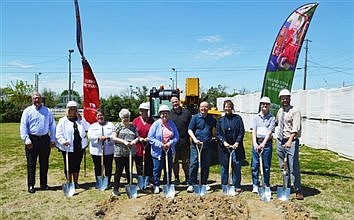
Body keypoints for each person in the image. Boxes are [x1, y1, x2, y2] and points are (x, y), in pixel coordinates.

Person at [20, 92, 56, 193]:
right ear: (32, 100)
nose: (37, 100)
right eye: (35, 98)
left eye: (38, 98)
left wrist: (53, 139)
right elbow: (23, 126)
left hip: (45, 139)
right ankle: (31, 185)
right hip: (32, 140)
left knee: (44, 163)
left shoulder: (47, 111)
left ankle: (43, 184)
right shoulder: (27, 111)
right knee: (31, 163)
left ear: (41, 99)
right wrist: (27, 140)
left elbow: (52, 126)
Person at [276, 89, 304, 200]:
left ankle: (298, 189)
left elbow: (296, 128)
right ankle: (286, 187)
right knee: (283, 166)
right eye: (282, 98)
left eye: (286, 98)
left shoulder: (295, 111)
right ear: (280, 99)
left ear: (290, 98)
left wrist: (289, 140)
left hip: (291, 141)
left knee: (293, 166)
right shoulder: (279, 111)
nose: (284, 100)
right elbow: (278, 123)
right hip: (280, 140)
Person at [56, 100, 89, 189]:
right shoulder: (62, 121)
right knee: (68, 165)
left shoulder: (80, 120)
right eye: (71, 109)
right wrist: (63, 141)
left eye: (74, 109)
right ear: (67, 110)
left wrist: (81, 119)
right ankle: (69, 182)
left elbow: (88, 128)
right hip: (68, 147)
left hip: (79, 146)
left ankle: (76, 182)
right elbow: (58, 134)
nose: (72, 111)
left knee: (77, 165)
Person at [148, 104, 179, 194]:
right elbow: (150, 137)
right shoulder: (156, 124)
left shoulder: (171, 123)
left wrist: (170, 143)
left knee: (168, 168)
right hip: (158, 151)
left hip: (169, 149)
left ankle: (167, 184)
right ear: (160, 114)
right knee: (157, 169)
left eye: (166, 113)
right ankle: (156, 185)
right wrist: (160, 144)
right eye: (162, 113)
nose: (164, 115)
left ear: (169, 114)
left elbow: (176, 136)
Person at [216, 100, 245, 195]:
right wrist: (224, 142)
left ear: (232, 108)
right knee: (225, 167)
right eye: (225, 107)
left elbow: (241, 131)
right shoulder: (220, 120)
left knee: (236, 166)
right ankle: (225, 185)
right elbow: (218, 133)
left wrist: (237, 142)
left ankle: (236, 185)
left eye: (229, 106)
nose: (227, 108)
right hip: (224, 147)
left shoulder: (238, 119)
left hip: (236, 147)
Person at [187, 101, 216, 193]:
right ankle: (192, 183)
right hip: (196, 145)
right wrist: (195, 139)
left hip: (207, 145)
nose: (203, 109)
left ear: (208, 108)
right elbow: (190, 130)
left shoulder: (211, 119)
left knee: (205, 164)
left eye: (205, 107)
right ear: (199, 108)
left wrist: (214, 137)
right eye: (202, 107)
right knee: (193, 164)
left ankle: (204, 182)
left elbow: (216, 128)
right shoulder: (195, 118)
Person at [111, 108, 139, 196]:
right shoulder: (118, 126)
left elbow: (138, 137)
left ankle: (130, 187)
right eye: (124, 117)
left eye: (127, 117)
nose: (126, 119)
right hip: (119, 152)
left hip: (130, 153)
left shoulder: (132, 127)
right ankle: (115, 189)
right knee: (118, 171)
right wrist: (124, 142)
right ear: (121, 118)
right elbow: (114, 137)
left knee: (129, 171)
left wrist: (134, 141)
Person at [251, 97, 275, 194]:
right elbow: (254, 131)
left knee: (266, 166)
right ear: (260, 105)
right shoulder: (256, 118)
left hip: (267, 143)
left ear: (269, 106)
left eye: (266, 104)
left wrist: (263, 144)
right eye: (263, 104)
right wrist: (255, 143)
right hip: (257, 143)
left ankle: (266, 185)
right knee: (255, 165)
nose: (264, 105)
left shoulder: (272, 118)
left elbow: (270, 132)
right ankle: (255, 185)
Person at [88, 109, 115, 188]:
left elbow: (114, 135)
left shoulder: (110, 125)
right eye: (98, 115)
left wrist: (108, 137)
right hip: (96, 151)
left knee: (108, 167)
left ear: (104, 116)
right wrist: (98, 138)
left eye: (101, 115)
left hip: (108, 150)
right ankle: (99, 182)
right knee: (97, 167)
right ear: (96, 117)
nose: (100, 117)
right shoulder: (93, 126)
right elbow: (90, 136)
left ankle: (108, 182)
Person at [169, 96, 192, 185]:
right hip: (173, 143)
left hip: (184, 142)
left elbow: (191, 127)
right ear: (171, 103)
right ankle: (176, 178)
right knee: (174, 162)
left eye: (176, 101)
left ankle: (187, 178)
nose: (175, 103)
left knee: (185, 161)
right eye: (173, 102)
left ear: (179, 101)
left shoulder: (187, 113)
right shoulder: (169, 114)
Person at [132, 102, 154, 186]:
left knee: (148, 164)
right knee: (139, 164)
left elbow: (154, 132)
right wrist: (139, 138)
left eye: (144, 110)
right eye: (141, 110)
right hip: (138, 146)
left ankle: (148, 180)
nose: (142, 112)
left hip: (148, 145)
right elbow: (133, 132)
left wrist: (149, 138)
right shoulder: (136, 121)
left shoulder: (151, 121)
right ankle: (141, 180)